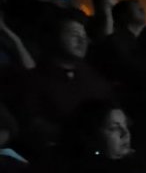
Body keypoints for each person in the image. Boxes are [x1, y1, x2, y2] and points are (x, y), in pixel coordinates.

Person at [15, 9, 112, 156]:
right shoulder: (33, 80)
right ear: (52, 37)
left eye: (84, 35)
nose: (82, 40)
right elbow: (32, 124)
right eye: (74, 34)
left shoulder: (92, 75)